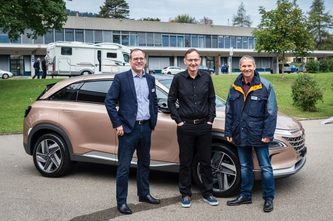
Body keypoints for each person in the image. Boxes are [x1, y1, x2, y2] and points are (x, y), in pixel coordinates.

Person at [105, 48, 160, 215]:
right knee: (124, 168)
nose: (139, 61)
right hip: (129, 129)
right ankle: (121, 202)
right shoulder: (121, 78)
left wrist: (153, 121)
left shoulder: (150, 79)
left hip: (146, 128)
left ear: (145, 60)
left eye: (141, 58)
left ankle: (144, 194)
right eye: (135, 58)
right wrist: (118, 124)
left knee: (144, 164)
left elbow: (154, 101)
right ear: (130, 61)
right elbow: (109, 102)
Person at [224, 55, 277, 212]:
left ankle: (268, 198)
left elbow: (271, 112)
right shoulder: (234, 86)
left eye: (249, 66)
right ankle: (245, 195)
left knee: (265, 167)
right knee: (245, 166)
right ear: (239, 68)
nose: (246, 69)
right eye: (243, 66)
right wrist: (228, 130)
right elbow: (229, 111)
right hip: (240, 133)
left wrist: (268, 133)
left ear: (254, 67)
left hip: (259, 133)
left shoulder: (265, 86)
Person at [167, 48, 218, 208]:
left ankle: (208, 193)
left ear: (200, 60)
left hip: (204, 126)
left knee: (205, 162)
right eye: (190, 60)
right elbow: (171, 100)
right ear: (185, 61)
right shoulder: (178, 78)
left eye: (196, 60)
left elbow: (211, 99)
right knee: (186, 162)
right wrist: (179, 121)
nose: (193, 63)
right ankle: (186, 194)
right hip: (186, 127)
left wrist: (210, 120)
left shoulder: (207, 77)